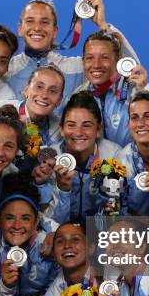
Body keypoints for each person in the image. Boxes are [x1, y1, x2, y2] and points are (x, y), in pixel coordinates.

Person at [5, 0, 136, 116]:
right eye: (30, 21)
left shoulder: (78, 68)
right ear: (20, 28)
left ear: (55, 31)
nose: (37, 28)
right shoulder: (7, 70)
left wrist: (103, 26)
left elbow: (131, 68)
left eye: (44, 22)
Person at [0, 173, 60, 296]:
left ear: (36, 222)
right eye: (9, 218)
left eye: (25, 218)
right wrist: (6, 285)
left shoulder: (46, 242)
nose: (17, 226)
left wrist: (58, 234)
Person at [43, 91, 122, 224]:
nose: (78, 132)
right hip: (62, 235)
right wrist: (63, 189)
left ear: (98, 130)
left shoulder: (113, 155)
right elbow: (49, 223)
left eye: (86, 125)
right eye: (71, 125)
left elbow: (114, 213)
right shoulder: (49, 159)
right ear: (61, 129)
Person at [0, 63, 65, 148]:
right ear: (26, 90)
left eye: (52, 91)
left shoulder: (58, 129)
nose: (44, 95)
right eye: (39, 87)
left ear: (59, 100)